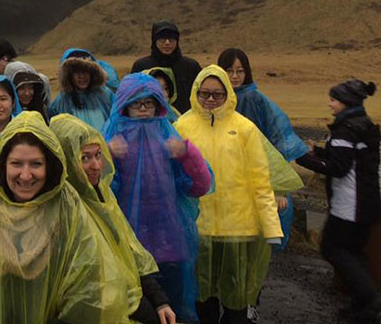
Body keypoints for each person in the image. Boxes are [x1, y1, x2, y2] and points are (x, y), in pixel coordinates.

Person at [0, 112, 130, 323]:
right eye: (16, 163)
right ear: (2, 164)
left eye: (36, 164)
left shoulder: (66, 204)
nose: (25, 175)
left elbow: (88, 284)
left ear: (49, 165)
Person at [174, 66, 295, 324]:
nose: (209, 100)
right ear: (195, 93)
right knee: (202, 301)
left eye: (217, 94)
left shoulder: (245, 129)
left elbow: (260, 180)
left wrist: (271, 227)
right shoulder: (181, 126)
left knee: (236, 303)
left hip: (239, 231)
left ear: (228, 94)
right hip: (199, 229)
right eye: (204, 93)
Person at [104, 73, 211, 323]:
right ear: (124, 106)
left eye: (149, 102)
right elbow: (102, 195)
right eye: (136, 103)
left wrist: (187, 154)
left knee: (173, 309)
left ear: (158, 105)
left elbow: (200, 186)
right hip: (127, 243)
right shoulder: (113, 142)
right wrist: (108, 157)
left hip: (169, 242)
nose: (143, 109)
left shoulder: (169, 140)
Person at [53, 113, 178, 324]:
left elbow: (128, 250)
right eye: (84, 158)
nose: (95, 166)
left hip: (130, 301)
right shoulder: (62, 211)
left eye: (98, 155)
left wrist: (159, 301)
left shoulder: (101, 193)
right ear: (66, 159)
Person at [296, 79, 380, 324]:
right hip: (366, 201)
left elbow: (339, 168)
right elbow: (350, 158)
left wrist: (302, 158)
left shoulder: (346, 129)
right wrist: (320, 152)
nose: (329, 103)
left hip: (350, 205)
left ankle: (372, 299)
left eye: (333, 99)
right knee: (354, 251)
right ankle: (362, 306)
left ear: (346, 103)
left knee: (332, 248)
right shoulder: (360, 124)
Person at [217, 48, 308, 252]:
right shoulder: (214, 99)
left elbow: (278, 142)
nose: (234, 76)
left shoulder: (255, 100)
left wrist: (279, 188)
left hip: (254, 174)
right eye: (229, 71)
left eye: (239, 71)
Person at [131, 20, 201, 113]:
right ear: (154, 41)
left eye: (172, 39)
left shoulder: (190, 66)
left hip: (186, 121)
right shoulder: (141, 66)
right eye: (162, 39)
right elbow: (133, 97)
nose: (167, 43)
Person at [49, 52, 115, 132]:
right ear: (69, 75)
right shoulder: (62, 100)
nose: (82, 76)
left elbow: (117, 119)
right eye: (77, 72)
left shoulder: (104, 94)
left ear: (92, 73)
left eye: (86, 71)